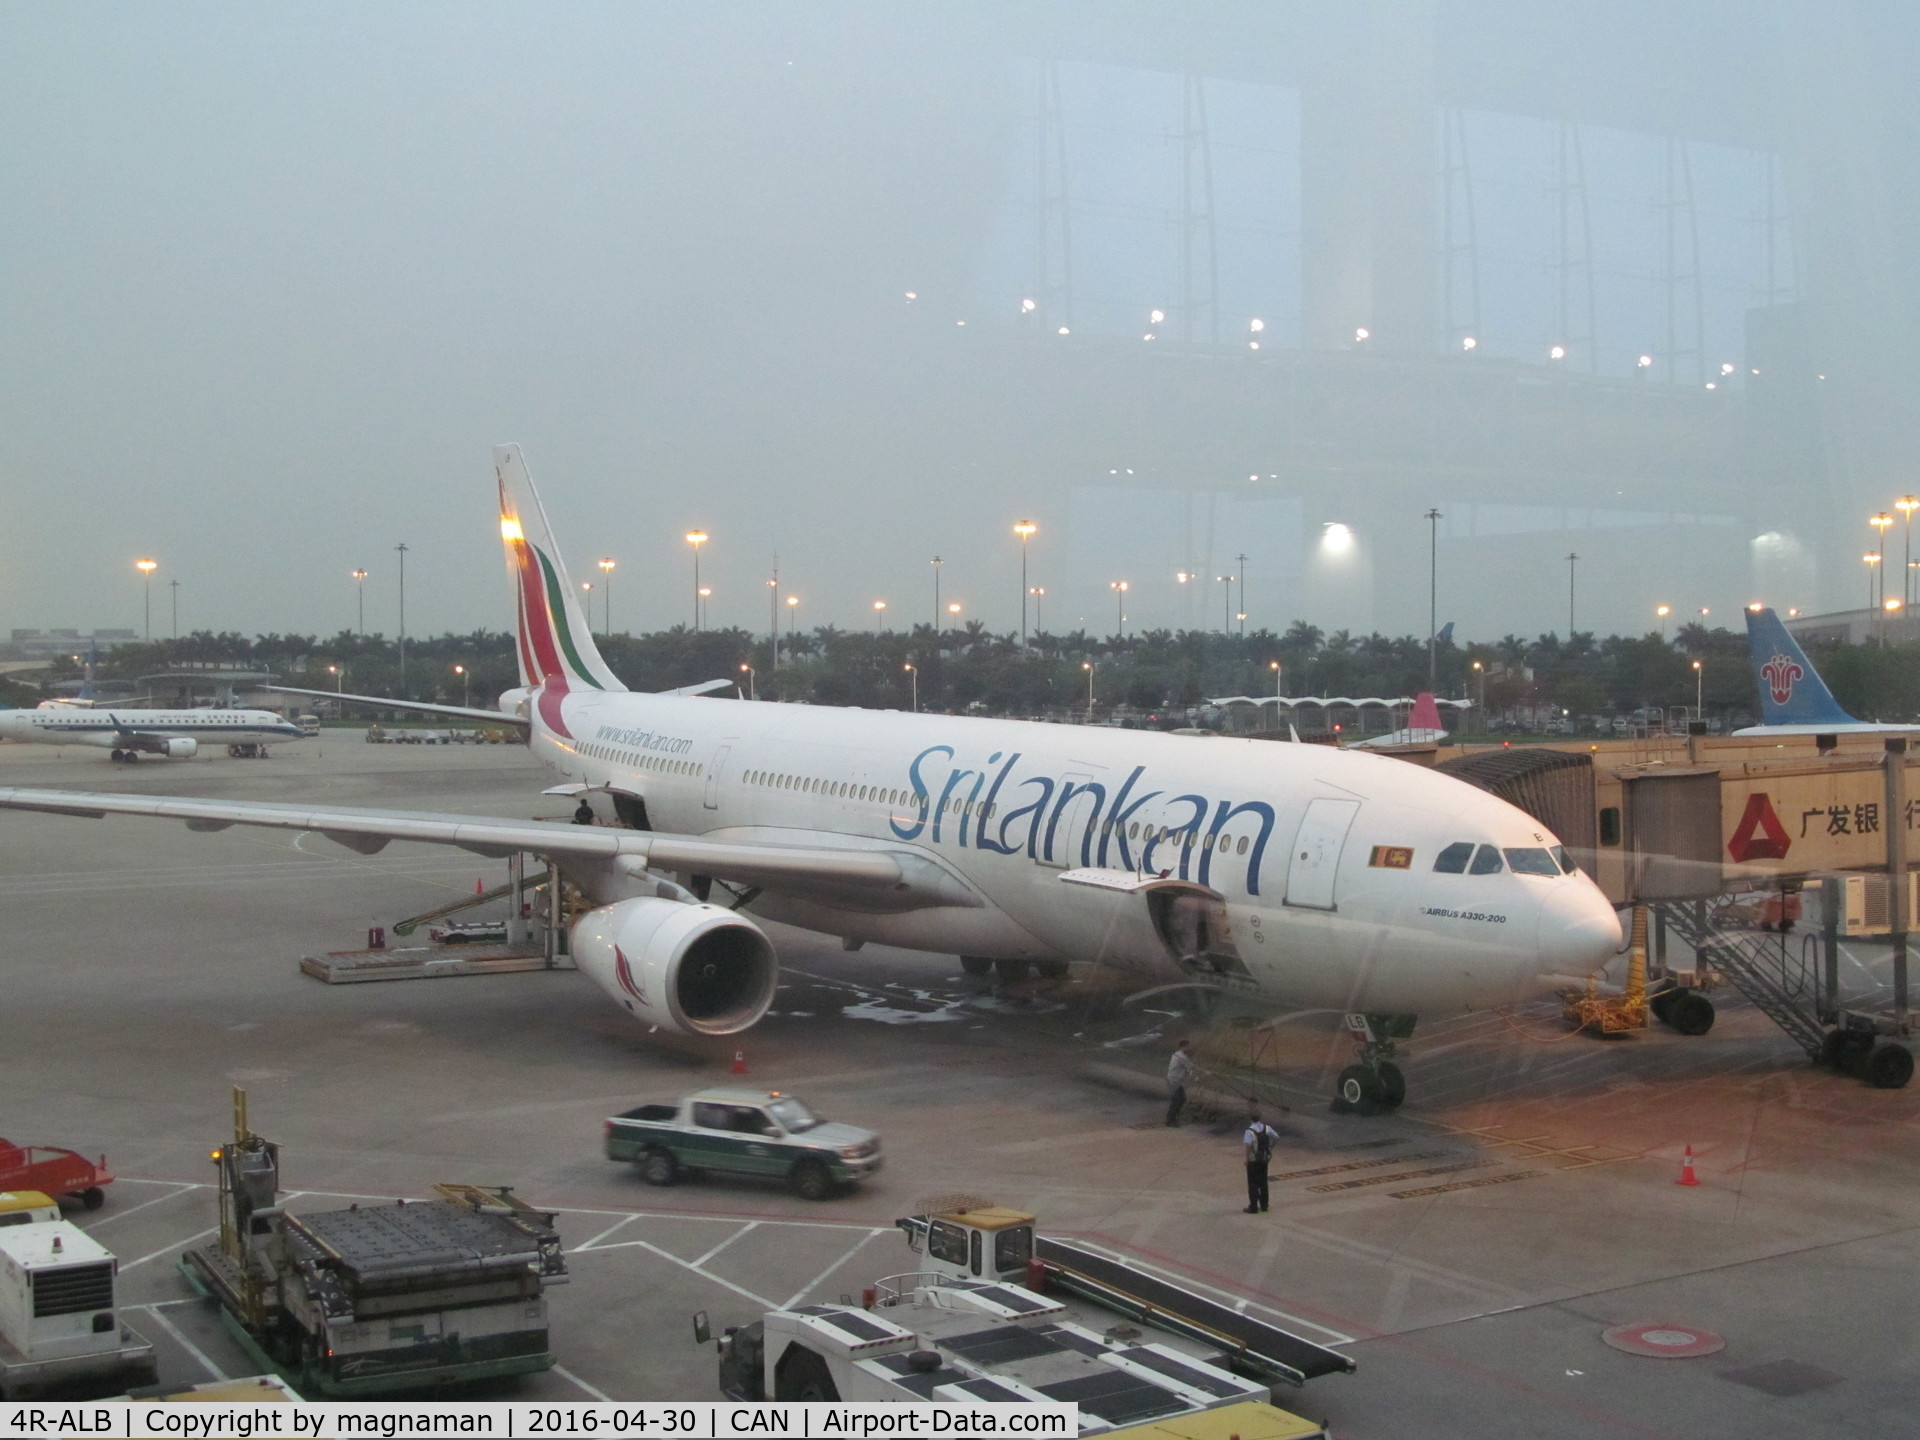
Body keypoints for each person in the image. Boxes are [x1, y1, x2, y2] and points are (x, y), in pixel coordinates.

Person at [1242, 1109, 1279, 1213]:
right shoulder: (1266, 1128)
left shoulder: (1249, 1131)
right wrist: (1270, 1148)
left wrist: (1246, 1158)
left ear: (1250, 1118)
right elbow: (1276, 1137)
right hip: (1264, 1159)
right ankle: (1264, 1205)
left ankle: (1253, 1206)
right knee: (1263, 1182)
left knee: (1253, 1183)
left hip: (1254, 1160)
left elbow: (1248, 1146)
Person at [1165, 1039, 1197, 1127]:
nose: (1189, 1048)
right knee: (1177, 1100)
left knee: (1182, 1099)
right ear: (1183, 1047)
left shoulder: (1177, 1054)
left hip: (1175, 1081)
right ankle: (1170, 1120)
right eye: (1187, 1046)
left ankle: (1173, 1118)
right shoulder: (1181, 1056)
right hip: (1174, 1081)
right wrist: (1205, 1071)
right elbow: (1191, 1066)